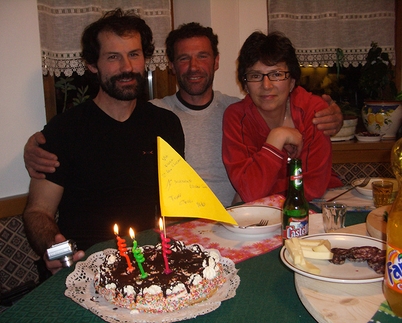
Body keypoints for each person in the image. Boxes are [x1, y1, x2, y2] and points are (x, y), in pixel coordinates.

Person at [24, 23, 343, 207]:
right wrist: (36, 146)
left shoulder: (239, 108)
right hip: (184, 231)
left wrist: (332, 114)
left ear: (217, 61)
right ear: (172, 66)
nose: (193, 67)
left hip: (241, 223)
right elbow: (104, 124)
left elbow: (292, 113)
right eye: (184, 59)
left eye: (202, 56)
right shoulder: (156, 116)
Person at [22, 9, 185, 274]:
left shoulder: (166, 125)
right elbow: (38, 211)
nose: (127, 68)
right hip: (83, 267)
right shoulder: (63, 130)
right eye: (113, 57)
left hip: (147, 264)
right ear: (92, 64)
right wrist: (55, 250)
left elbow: (176, 204)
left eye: (134, 54)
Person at [222, 31, 343, 203]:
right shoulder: (236, 117)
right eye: (255, 76)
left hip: (320, 205)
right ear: (246, 85)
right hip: (266, 213)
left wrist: (256, 192)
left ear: (292, 81)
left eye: (277, 74)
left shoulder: (314, 112)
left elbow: (313, 186)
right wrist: (277, 137)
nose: (266, 85)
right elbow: (250, 191)